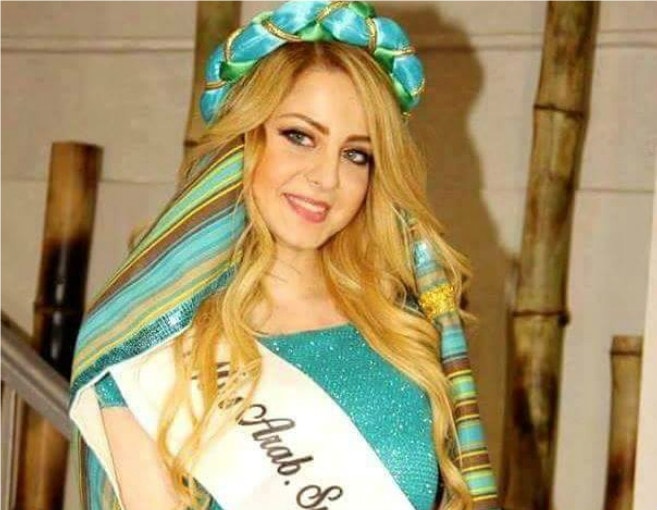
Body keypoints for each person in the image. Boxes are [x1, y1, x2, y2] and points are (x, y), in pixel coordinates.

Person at [69, 2, 499, 510]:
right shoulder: (151, 349)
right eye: (300, 137)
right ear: (243, 141)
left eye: (355, 154)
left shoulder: (404, 330)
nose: (326, 177)